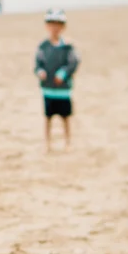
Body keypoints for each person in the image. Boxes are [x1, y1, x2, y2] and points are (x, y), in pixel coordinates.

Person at [34, 9, 80, 151]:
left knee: (65, 117)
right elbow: (38, 64)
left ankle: (68, 141)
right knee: (48, 117)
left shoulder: (67, 46)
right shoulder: (43, 46)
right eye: (52, 24)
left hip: (63, 90)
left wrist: (63, 73)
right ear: (47, 26)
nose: (55, 28)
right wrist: (40, 72)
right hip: (48, 89)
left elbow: (73, 62)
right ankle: (48, 143)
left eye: (58, 25)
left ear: (63, 27)